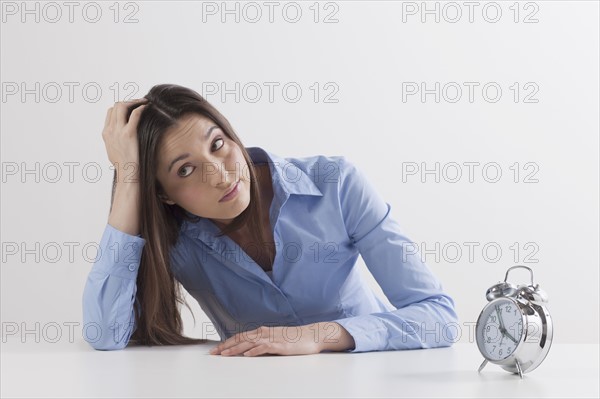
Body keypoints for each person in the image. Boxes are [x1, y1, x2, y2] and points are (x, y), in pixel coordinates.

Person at [82, 83, 459, 355]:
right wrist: (129, 177)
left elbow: (439, 316)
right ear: (162, 193)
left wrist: (321, 335)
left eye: (217, 144)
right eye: (185, 170)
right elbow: (104, 333)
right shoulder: (175, 238)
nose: (220, 175)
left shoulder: (336, 185)